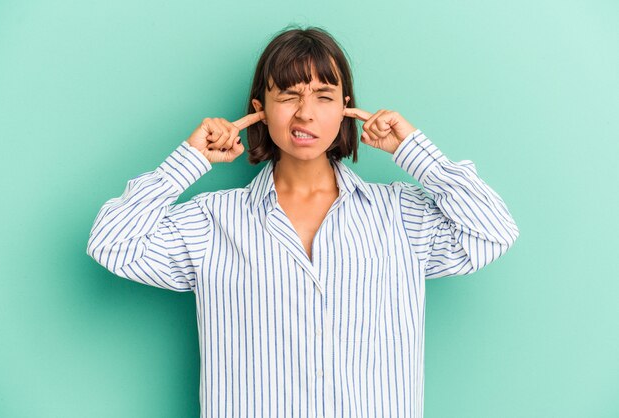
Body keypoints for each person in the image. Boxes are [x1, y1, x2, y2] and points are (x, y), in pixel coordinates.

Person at [87, 25, 519, 418]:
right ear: (260, 109)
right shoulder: (211, 221)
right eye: (289, 95)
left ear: (346, 109)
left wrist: (414, 150)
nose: (306, 113)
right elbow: (111, 243)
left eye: (324, 96)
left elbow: (492, 231)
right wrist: (191, 159)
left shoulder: (401, 216)